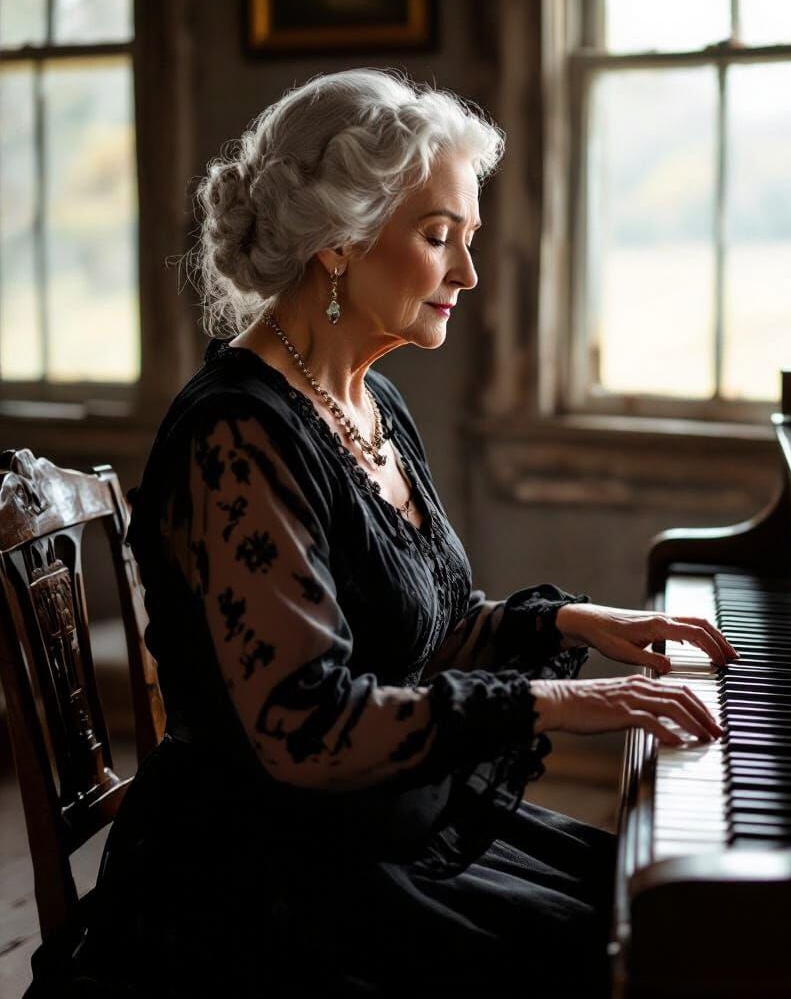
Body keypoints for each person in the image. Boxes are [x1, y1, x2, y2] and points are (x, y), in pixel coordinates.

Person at [38, 69, 736, 998]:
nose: (467, 273)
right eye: (439, 236)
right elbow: (311, 725)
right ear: (339, 242)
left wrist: (571, 625)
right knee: (622, 953)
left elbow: (416, 633)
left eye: (469, 239)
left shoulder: (369, 399)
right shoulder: (237, 434)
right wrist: (566, 706)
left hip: (367, 830)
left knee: (656, 906)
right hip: (260, 882)